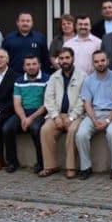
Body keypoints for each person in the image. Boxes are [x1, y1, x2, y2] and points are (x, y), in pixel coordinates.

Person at [75, 50, 112, 180]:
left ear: (107, 61)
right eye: (96, 61)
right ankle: (85, 167)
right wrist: (94, 119)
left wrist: (108, 120)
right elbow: (87, 104)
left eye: (102, 61)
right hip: (94, 114)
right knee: (81, 134)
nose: (100, 64)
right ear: (93, 64)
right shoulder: (88, 80)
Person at [39, 47, 87, 179]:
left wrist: (71, 117)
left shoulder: (82, 76)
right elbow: (48, 99)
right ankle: (50, 166)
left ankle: (70, 167)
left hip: (76, 115)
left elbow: (82, 100)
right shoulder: (53, 77)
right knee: (45, 130)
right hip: (57, 115)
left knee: (72, 131)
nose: (64, 61)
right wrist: (55, 117)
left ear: (73, 59)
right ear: (57, 60)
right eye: (61, 58)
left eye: (67, 58)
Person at [3, 54, 49, 173]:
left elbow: (47, 104)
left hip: (40, 113)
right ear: (24, 67)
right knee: (7, 128)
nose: (31, 67)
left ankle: (41, 163)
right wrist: (23, 118)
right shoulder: (19, 81)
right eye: (28, 64)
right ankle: (12, 162)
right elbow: (17, 103)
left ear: (39, 65)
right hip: (23, 113)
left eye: (34, 64)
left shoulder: (47, 79)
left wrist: (31, 118)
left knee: (35, 129)